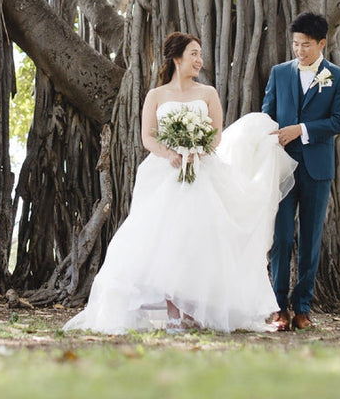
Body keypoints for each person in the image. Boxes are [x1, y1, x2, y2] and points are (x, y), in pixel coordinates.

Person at [64, 32, 297, 334]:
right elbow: (148, 136)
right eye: (194, 54)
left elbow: (216, 134)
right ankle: (165, 311)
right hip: (164, 172)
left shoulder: (208, 93)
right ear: (176, 58)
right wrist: (170, 153)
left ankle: (195, 309)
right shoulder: (156, 96)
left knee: (201, 239)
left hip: (203, 170)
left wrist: (199, 148)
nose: (199, 60)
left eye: (200, 54)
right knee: (161, 238)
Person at [262, 12, 340, 331]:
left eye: (307, 45)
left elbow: (338, 122)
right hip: (283, 168)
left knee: (310, 239)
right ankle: (278, 308)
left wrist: (301, 129)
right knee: (282, 237)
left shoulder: (337, 77)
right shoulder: (279, 73)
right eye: (296, 44)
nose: (300, 51)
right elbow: (267, 115)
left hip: (317, 169)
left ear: (322, 43)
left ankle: (302, 308)